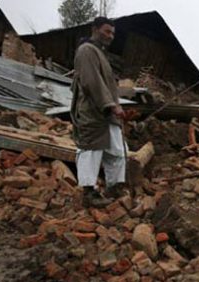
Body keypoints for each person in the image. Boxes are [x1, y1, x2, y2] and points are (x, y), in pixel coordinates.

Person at [70, 17, 127, 208]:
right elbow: (91, 81)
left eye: (112, 33)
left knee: (117, 151)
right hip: (93, 112)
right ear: (94, 29)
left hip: (107, 114)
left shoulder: (101, 53)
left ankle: (114, 187)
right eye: (106, 31)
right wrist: (111, 104)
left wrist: (113, 106)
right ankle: (88, 192)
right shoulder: (87, 50)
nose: (110, 36)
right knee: (91, 149)